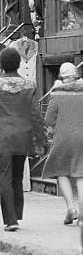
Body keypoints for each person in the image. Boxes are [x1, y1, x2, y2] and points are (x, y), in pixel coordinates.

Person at [0, 48, 47, 232]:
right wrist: (41, 140)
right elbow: (36, 115)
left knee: (5, 178)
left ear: (1, 64)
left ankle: (10, 219)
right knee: (17, 177)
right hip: (22, 137)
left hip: (1, 136)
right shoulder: (29, 85)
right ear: (18, 64)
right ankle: (17, 212)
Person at [41, 62, 83, 225]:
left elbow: (48, 120)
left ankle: (71, 208)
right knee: (81, 173)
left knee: (61, 171)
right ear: (76, 74)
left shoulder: (57, 94)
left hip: (63, 138)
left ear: (61, 77)